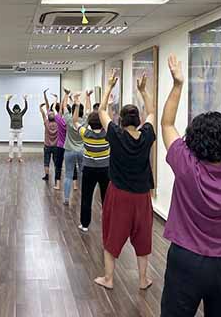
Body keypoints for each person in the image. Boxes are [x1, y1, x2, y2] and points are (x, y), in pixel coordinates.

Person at [160, 56, 221, 317]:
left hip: (187, 260)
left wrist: (177, 85)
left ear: (192, 142)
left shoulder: (186, 166)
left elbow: (166, 124)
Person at [94, 70, 155, 291]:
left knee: (112, 235)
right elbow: (152, 111)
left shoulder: (115, 135)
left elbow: (101, 110)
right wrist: (143, 91)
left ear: (120, 119)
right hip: (141, 197)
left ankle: (108, 279)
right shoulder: (147, 135)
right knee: (143, 237)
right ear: (137, 120)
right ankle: (142, 279)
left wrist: (109, 86)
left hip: (119, 195)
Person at [72, 102, 109, 232]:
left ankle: (85, 224)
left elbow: (75, 120)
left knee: (86, 197)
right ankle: (108, 224)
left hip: (89, 169)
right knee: (107, 198)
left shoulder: (85, 133)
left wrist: (76, 105)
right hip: (105, 170)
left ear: (90, 122)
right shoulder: (108, 134)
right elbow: (108, 121)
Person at [62, 89, 91, 205]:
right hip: (82, 151)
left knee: (68, 175)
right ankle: (84, 197)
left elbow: (64, 106)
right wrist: (88, 96)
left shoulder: (69, 120)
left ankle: (66, 199)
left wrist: (66, 94)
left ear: (72, 111)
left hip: (69, 151)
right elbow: (89, 110)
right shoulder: (84, 121)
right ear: (81, 111)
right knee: (82, 174)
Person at [40, 89, 58, 182]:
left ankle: (46, 176)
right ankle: (56, 175)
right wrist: (56, 98)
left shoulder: (46, 123)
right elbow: (52, 108)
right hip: (55, 146)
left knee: (46, 161)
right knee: (56, 161)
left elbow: (43, 113)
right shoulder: (58, 123)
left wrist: (40, 107)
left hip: (47, 146)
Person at [6, 94, 28, 162]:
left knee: (20, 145)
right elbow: (7, 108)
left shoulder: (21, 114)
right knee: (11, 145)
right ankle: (10, 157)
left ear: (19, 109)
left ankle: (19, 157)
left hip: (19, 131)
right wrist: (8, 100)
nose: (16, 110)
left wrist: (25, 100)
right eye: (15, 109)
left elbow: (26, 108)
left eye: (17, 109)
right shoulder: (11, 114)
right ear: (13, 109)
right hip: (12, 130)